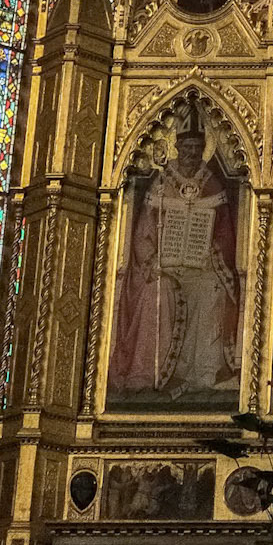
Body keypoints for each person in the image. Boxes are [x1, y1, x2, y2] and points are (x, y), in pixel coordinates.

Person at [108, 118, 242, 404]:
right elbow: (144, 232)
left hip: (200, 263)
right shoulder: (161, 183)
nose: (193, 153)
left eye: (197, 147)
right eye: (187, 147)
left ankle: (200, 374)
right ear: (177, 147)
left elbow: (225, 234)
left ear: (204, 148)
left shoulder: (212, 183)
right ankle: (156, 374)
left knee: (213, 290)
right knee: (160, 293)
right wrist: (153, 260)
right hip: (163, 264)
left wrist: (210, 253)